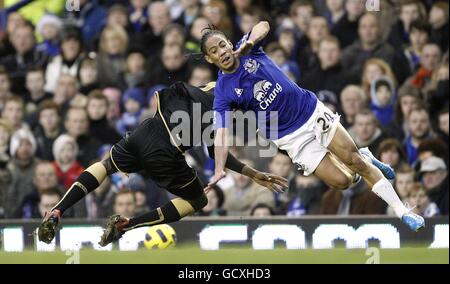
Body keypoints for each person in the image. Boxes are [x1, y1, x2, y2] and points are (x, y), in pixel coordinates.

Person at [202, 21, 424, 231]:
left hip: (310, 112)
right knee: (343, 181)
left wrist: (249, 42)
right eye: (214, 51)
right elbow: (221, 133)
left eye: (222, 45)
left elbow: (264, 25)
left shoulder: (247, 48)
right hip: (290, 138)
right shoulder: (223, 91)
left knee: (354, 161)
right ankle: (365, 157)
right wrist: (220, 168)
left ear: (229, 44)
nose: (221, 51)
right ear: (209, 59)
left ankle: (402, 211)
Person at [37, 82, 287, 245]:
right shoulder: (231, 107)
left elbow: (211, 143)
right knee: (198, 200)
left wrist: (249, 171)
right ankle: (127, 225)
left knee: (106, 165)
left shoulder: (216, 85)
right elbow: (216, 149)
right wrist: (250, 172)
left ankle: (58, 209)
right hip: (165, 150)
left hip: (146, 129)